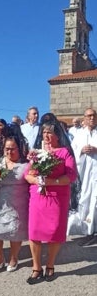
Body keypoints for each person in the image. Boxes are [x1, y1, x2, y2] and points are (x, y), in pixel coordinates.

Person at [24, 114, 78, 284]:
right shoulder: (37, 153)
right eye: (44, 132)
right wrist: (33, 178)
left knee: (54, 232)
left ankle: (50, 265)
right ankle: (36, 267)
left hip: (57, 197)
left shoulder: (64, 152)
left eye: (50, 132)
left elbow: (71, 175)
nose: (46, 136)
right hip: (38, 196)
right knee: (34, 232)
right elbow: (27, 173)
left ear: (57, 135)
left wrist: (51, 181)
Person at [0, 133, 29, 274]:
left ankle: (13, 258)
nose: (9, 152)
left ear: (19, 148)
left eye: (12, 149)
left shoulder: (26, 165)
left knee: (15, 232)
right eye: (7, 149)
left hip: (18, 203)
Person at [67, 108, 97, 244]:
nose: (92, 118)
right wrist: (81, 150)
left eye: (94, 116)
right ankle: (87, 230)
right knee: (85, 200)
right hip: (84, 175)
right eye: (89, 116)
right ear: (84, 118)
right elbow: (72, 151)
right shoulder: (79, 135)